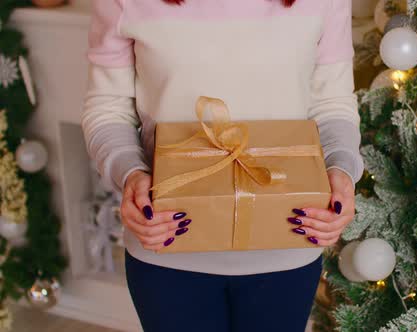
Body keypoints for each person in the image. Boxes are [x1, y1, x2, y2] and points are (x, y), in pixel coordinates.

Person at [82, 0, 363, 331]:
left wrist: (341, 170)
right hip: (167, 244)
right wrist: (130, 173)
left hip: (288, 243)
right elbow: (107, 108)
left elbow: (332, 106)